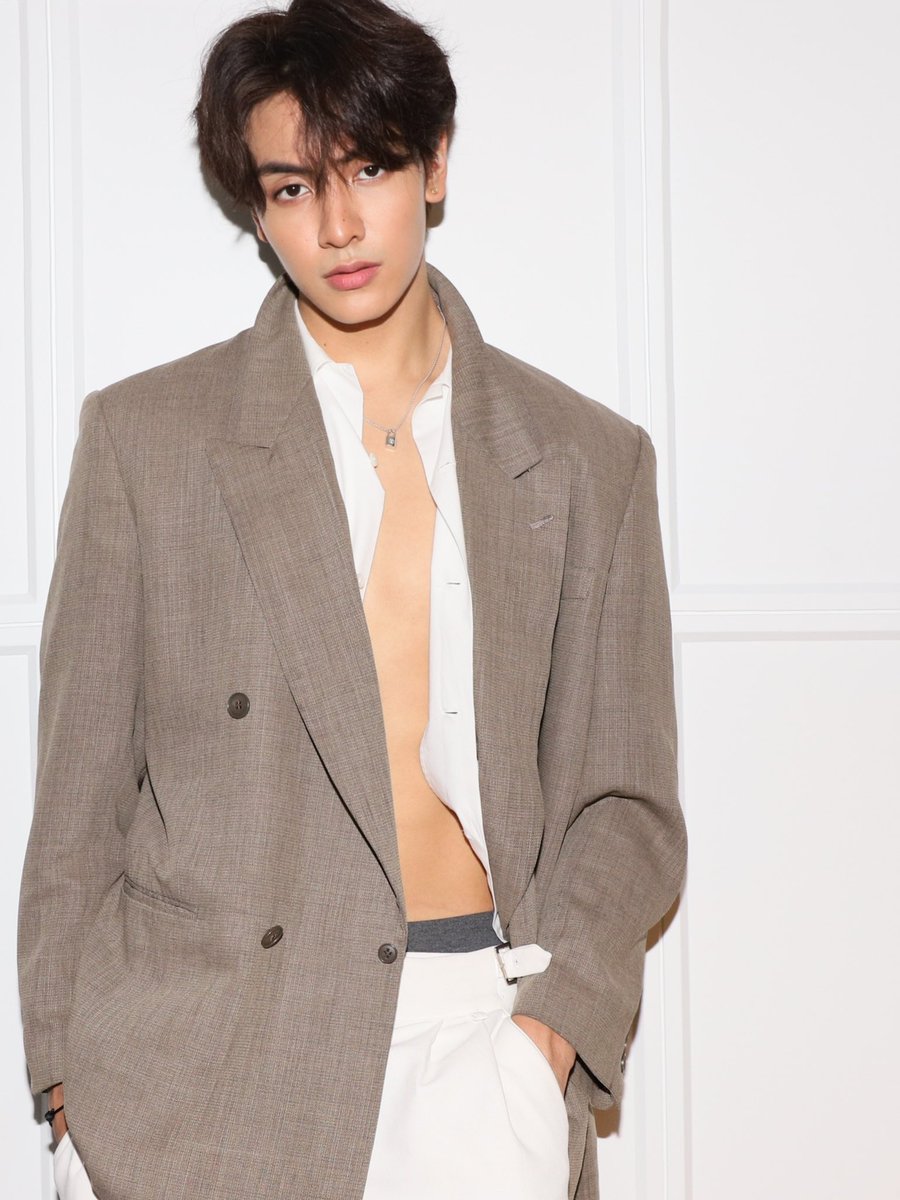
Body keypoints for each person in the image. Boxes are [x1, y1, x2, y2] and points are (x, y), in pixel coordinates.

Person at [17, 1, 687, 1197]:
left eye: (369, 168)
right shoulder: (148, 441)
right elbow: (79, 797)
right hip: (203, 1062)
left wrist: (551, 1037)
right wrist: (69, 1070)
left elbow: (624, 802)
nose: (336, 227)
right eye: (292, 188)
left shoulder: (587, 459)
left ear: (435, 165)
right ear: (257, 208)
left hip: (484, 1042)